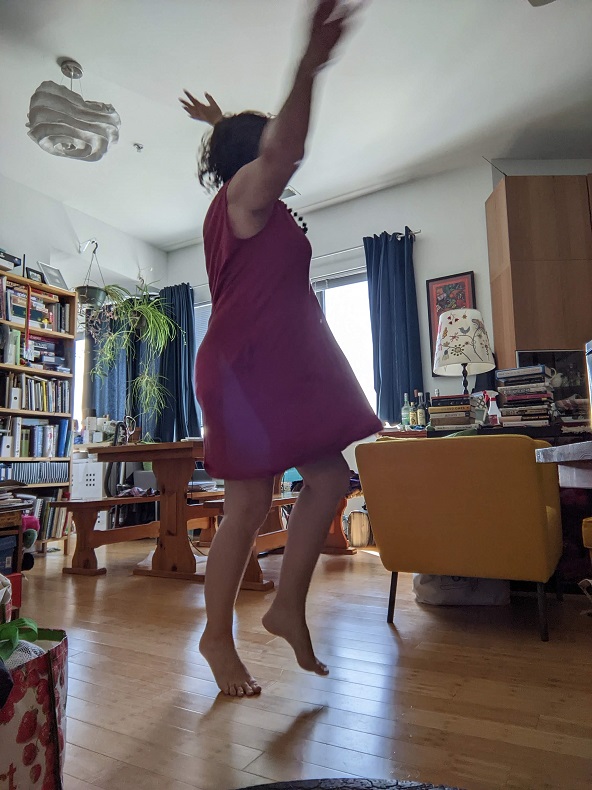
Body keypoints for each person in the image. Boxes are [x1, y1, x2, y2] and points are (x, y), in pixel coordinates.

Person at [180, 0, 381, 698]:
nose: (282, 155)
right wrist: (307, 65)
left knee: (328, 479)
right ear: (251, 158)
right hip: (249, 367)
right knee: (247, 503)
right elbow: (280, 149)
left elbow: (265, 148)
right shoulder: (245, 193)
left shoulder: (248, 203)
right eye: (264, 146)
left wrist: (218, 125)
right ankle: (216, 636)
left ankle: (286, 605)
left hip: (266, 362)